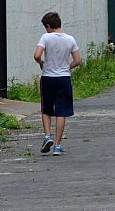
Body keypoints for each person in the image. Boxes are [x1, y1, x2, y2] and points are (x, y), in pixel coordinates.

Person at [34, 11, 81, 156]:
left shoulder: (46, 37)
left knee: (46, 108)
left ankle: (48, 136)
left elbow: (36, 55)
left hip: (48, 77)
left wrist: (42, 62)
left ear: (48, 26)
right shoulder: (70, 39)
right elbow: (78, 60)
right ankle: (58, 145)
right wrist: (68, 67)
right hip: (64, 78)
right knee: (62, 110)